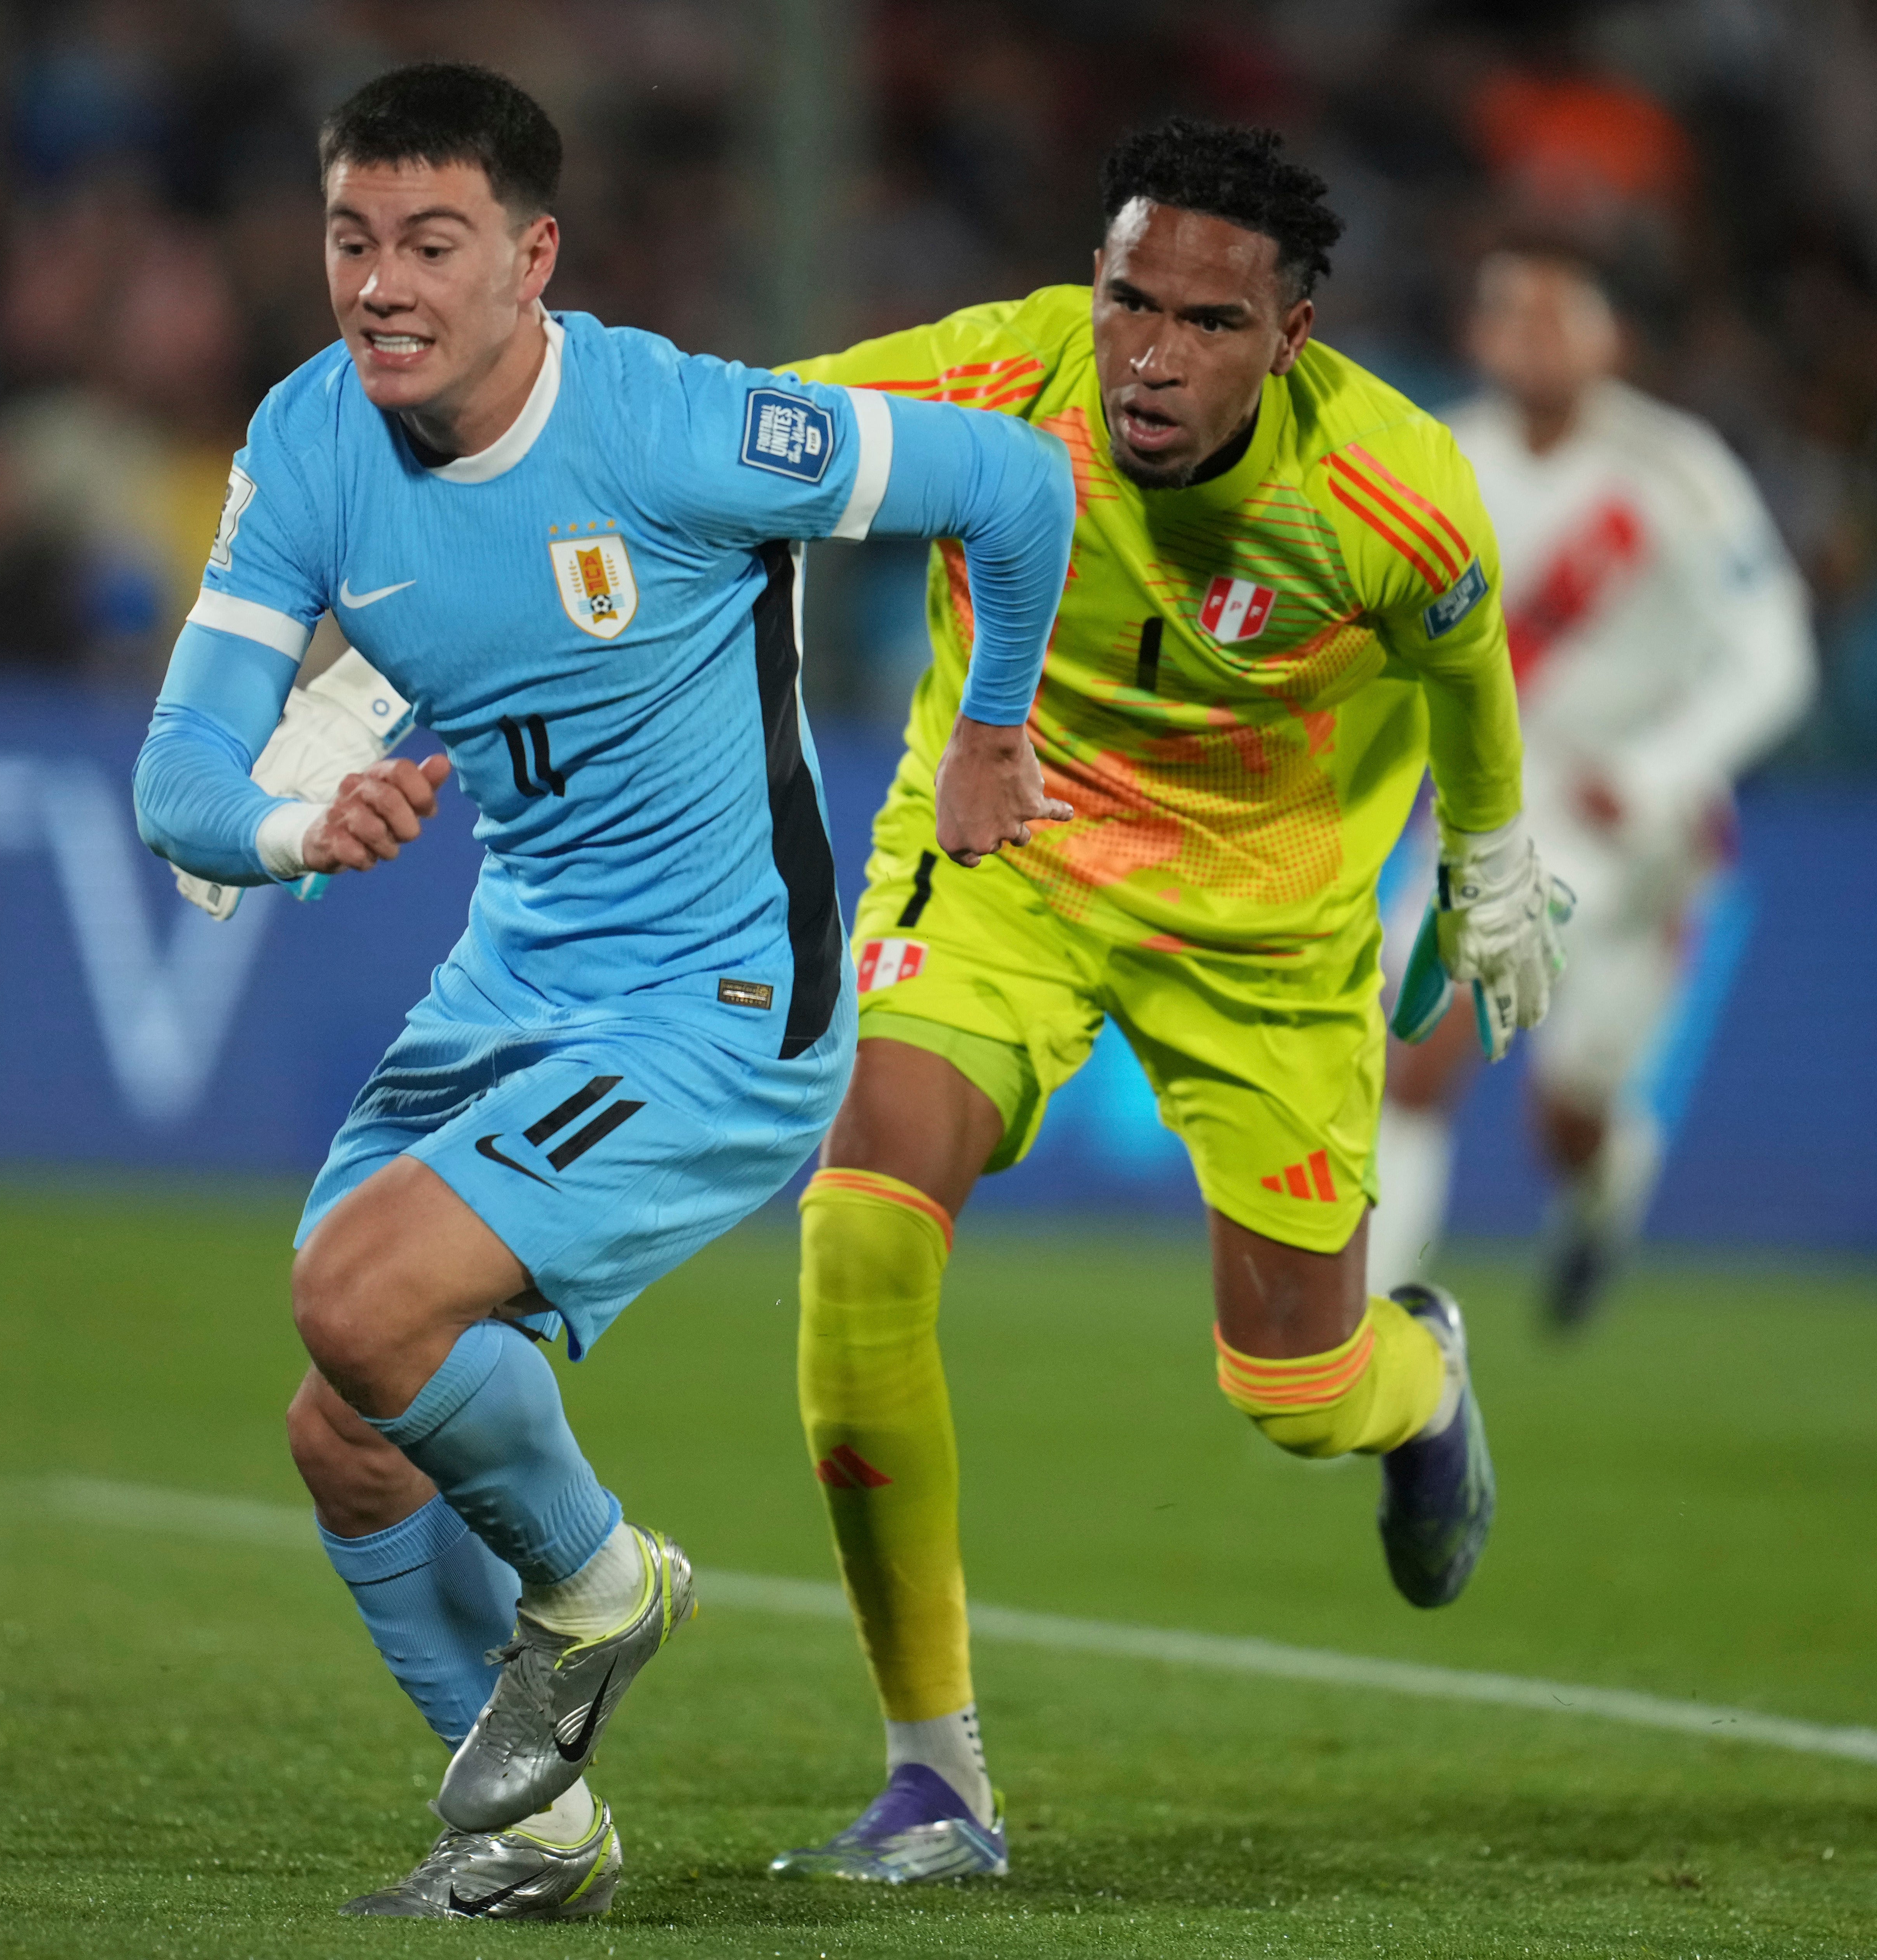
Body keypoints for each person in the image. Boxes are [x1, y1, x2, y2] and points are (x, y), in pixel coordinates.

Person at [130, 64, 1077, 1921]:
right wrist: (300, 822)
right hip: (520, 976)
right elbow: (179, 778)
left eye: (432, 243)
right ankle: (536, 1836)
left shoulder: (676, 426)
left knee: (358, 1293)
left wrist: (991, 725)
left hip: (726, 1002)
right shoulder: (309, 439)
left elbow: (1016, 479)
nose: (381, 285)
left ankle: (597, 1585)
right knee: (347, 1426)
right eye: (350, 239)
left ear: (533, 258)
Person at [763, 119, 1570, 1884]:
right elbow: (724, 436)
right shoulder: (1000, 378)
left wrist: (1492, 855)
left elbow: (1465, 666)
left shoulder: (1393, 490)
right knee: (860, 1232)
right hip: (1006, 856)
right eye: (1130, 300)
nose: (1150, 353)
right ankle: (934, 1777)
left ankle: (1422, 1382)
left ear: (1291, 338)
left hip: (1264, 935)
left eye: (1210, 323)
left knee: (1296, 1391)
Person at [1367, 243, 1814, 1329]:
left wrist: (1658, 771)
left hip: (1639, 835)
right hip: (1489, 812)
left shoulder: (1678, 473)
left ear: (1611, 339)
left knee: (1567, 1118)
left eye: (1559, 315)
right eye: (1510, 313)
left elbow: (1775, 657)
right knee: (1410, 1057)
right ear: (1477, 335)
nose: (1533, 336)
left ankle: (1607, 1177)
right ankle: (1365, 1338)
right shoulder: (1435, 460)